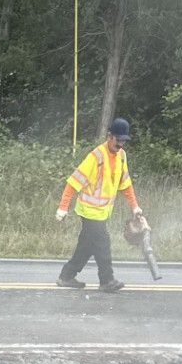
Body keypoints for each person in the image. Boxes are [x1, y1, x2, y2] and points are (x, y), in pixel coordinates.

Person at [55, 117, 148, 293]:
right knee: (103, 243)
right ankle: (107, 280)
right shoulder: (96, 157)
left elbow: (125, 184)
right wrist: (63, 207)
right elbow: (73, 183)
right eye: (118, 140)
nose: (120, 144)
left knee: (87, 246)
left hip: (102, 213)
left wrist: (135, 207)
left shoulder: (121, 156)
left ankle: (66, 276)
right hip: (89, 212)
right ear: (109, 136)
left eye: (123, 141)